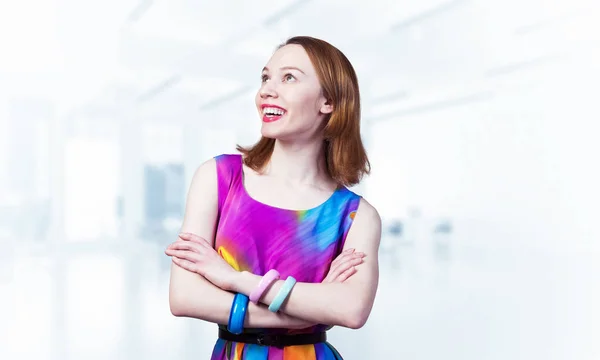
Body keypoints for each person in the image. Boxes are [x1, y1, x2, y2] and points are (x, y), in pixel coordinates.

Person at [165, 35, 382, 360]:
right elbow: (184, 297)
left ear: (329, 102)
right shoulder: (218, 178)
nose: (266, 89)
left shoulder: (357, 216)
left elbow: (351, 310)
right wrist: (313, 308)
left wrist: (233, 279)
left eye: (289, 77)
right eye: (266, 77)